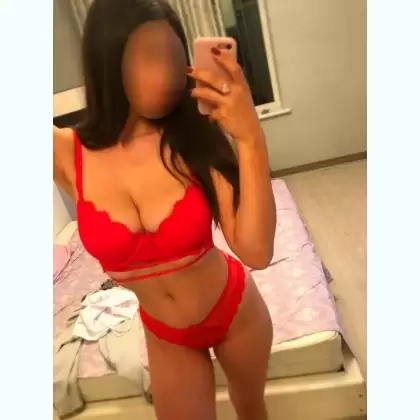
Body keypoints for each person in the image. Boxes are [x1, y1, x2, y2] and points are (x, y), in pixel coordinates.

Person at [53, 1, 276, 419]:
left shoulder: (194, 139)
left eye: (174, 56)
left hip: (235, 311)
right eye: (151, 56)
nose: (169, 73)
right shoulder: (67, 152)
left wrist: (250, 139)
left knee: (251, 410)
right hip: (167, 336)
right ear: (108, 59)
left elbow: (257, 251)